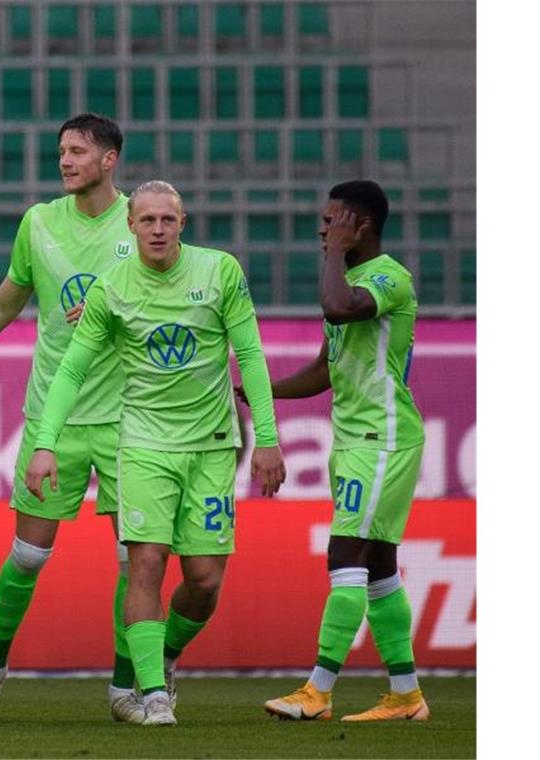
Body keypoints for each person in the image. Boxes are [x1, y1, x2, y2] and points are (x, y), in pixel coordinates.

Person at [25, 180, 286, 725]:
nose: (158, 229)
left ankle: (164, 657)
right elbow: (72, 369)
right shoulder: (112, 287)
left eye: (168, 220)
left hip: (213, 446)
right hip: (142, 443)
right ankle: (151, 695)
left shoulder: (219, 273)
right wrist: (44, 444)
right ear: (131, 225)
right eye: (148, 221)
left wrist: (267, 437)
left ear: (183, 223)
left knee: (205, 580)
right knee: (145, 562)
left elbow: (251, 356)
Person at [0, 113, 141, 723]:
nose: (64, 161)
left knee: (134, 559)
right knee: (29, 557)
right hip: (53, 420)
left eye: (77, 151)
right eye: (61, 151)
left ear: (109, 158)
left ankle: (128, 686)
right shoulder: (39, 222)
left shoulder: (140, 223)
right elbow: (4, 303)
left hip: (129, 419)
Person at [258, 180, 429, 722]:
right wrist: (259, 392)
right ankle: (406, 695)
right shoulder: (351, 278)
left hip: (382, 439)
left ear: (361, 224)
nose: (322, 230)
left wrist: (334, 253)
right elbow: (323, 370)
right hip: (357, 438)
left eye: (333, 220)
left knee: (345, 557)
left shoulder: (386, 278)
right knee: (379, 568)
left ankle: (318, 691)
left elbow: (337, 308)